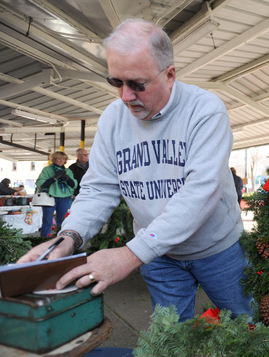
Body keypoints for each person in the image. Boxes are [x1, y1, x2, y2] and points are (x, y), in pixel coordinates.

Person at [18, 18, 252, 323]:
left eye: (137, 84)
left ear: (170, 75)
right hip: (159, 256)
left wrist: (130, 255)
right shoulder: (113, 119)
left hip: (218, 251)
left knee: (251, 330)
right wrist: (68, 238)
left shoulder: (205, 111)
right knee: (168, 341)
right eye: (116, 82)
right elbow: (99, 188)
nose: (125, 96)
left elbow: (200, 193)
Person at [35, 151, 77, 237]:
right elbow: (41, 184)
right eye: (59, 158)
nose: (61, 160)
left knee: (62, 220)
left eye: (63, 159)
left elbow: (73, 185)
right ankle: (44, 238)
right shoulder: (47, 170)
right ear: (54, 159)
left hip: (64, 197)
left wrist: (67, 178)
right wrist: (54, 178)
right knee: (47, 220)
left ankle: (61, 237)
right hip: (49, 197)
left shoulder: (68, 171)